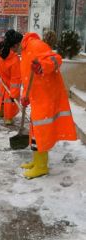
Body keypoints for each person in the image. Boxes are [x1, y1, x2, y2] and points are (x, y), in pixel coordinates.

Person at [20, 33, 77, 179]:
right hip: (37, 97)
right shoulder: (26, 50)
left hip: (46, 96)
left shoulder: (36, 45)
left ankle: (41, 167)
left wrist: (42, 66)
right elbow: (28, 78)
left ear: (18, 43)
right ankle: (36, 161)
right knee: (35, 131)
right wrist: (25, 96)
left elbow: (56, 59)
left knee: (41, 131)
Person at [0, 29, 22, 125]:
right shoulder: (13, 59)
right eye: (20, 44)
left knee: (8, 100)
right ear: (15, 45)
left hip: (9, 83)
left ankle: (8, 116)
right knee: (3, 98)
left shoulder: (2, 51)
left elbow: (15, 79)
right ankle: (2, 112)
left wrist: (13, 93)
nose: (21, 46)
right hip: (6, 82)